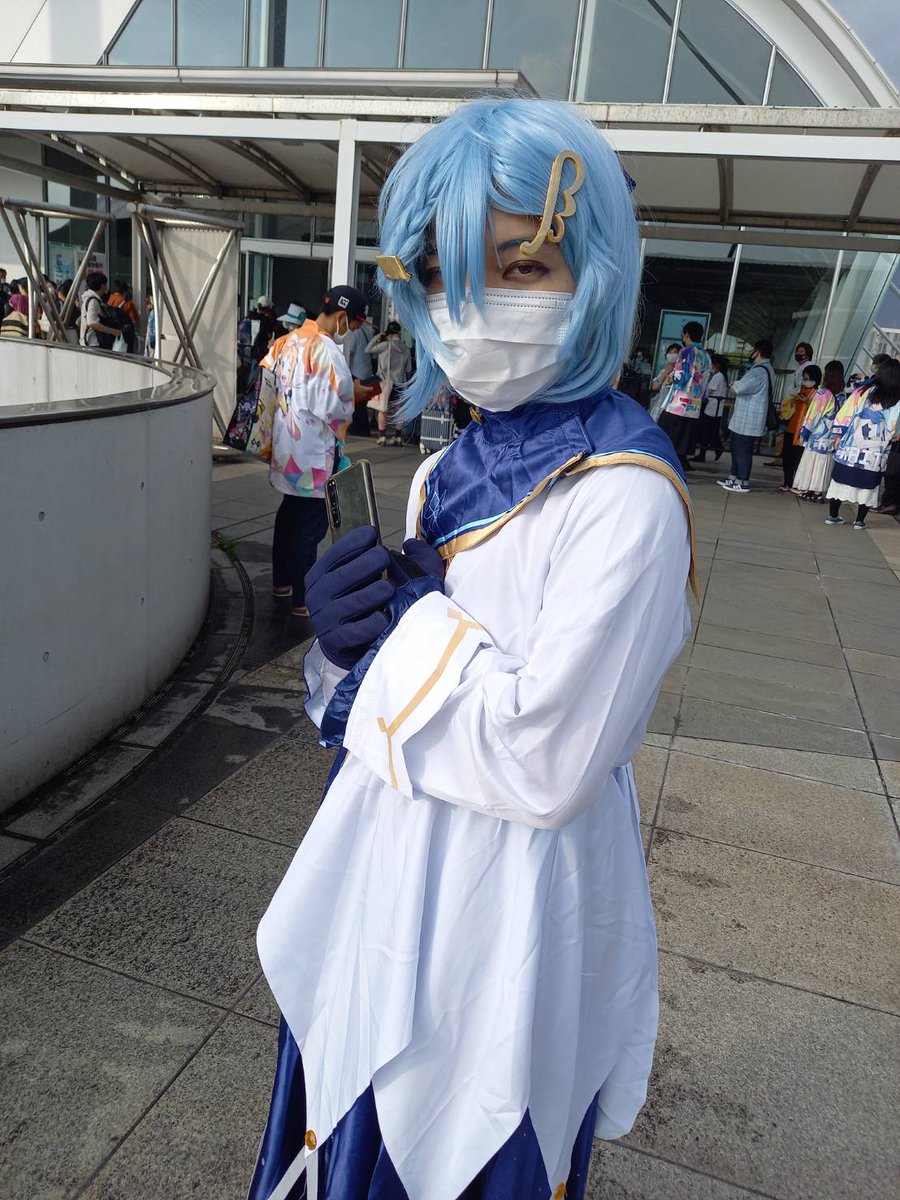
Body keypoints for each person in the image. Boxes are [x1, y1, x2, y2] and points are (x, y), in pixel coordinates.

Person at [248, 96, 695, 1200]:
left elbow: (547, 760)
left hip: (514, 901)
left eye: (522, 265)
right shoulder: (449, 470)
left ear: (594, 271)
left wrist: (403, 635)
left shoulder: (627, 496)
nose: (477, 304)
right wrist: (339, 651)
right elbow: (389, 707)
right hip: (392, 863)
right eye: (446, 275)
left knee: (465, 1115)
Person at [264, 285, 361, 616]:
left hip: (285, 450)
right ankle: (302, 597)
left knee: (288, 515)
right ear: (342, 316)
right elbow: (337, 410)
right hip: (313, 457)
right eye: (354, 324)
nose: (352, 330)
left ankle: (281, 582)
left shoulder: (286, 341)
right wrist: (357, 394)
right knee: (309, 527)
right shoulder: (328, 352)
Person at [825, 360, 900, 528]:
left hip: (850, 447)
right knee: (868, 486)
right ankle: (859, 521)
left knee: (840, 481)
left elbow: (846, 413)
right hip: (875, 452)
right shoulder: (896, 398)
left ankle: (833, 515)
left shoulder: (863, 391)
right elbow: (894, 429)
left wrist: (838, 434)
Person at [718, 339, 775, 494]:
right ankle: (734, 477)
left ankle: (742, 481)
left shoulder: (758, 371)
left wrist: (733, 385)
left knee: (742, 450)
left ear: (757, 352)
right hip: (747, 419)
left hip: (748, 419)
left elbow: (740, 387)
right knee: (738, 448)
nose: (751, 353)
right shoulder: (767, 369)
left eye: (753, 350)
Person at [655, 321, 712, 471]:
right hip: (694, 404)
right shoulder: (706, 356)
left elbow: (681, 377)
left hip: (678, 404)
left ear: (686, 334)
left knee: (666, 436)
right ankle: (679, 467)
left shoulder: (686, 352)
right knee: (683, 441)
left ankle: (664, 466)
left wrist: (671, 378)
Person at [792, 360, 843, 501]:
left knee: (812, 462)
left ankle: (811, 489)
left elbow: (814, 415)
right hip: (831, 436)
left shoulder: (823, 394)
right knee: (823, 464)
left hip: (818, 435)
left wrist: (804, 432)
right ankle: (818, 491)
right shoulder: (842, 395)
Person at [367, 319, 413, 445]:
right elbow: (409, 369)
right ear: (399, 332)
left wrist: (378, 337)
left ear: (389, 332)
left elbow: (368, 350)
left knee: (382, 409)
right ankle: (398, 437)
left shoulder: (385, 345)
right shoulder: (405, 348)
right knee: (399, 410)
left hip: (385, 382)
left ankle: (382, 436)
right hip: (399, 382)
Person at [779, 364, 820, 491]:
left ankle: (797, 484)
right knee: (787, 457)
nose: (805, 381)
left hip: (803, 430)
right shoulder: (798, 390)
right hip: (791, 426)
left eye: (808, 379)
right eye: (804, 378)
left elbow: (816, 410)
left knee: (799, 458)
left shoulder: (817, 394)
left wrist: (807, 402)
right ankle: (787, 482)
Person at [692, 352, 729, 462]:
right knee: (711, 430)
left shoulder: (717, 376)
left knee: (706, 430)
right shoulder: (722, 376)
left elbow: (709, 389)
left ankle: (712, 449)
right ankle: (714, 448)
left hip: (712, 407)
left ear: (716, 364)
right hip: (716, 407)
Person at [79, 271, 121, 349]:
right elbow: (92, 322)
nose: (106, 287)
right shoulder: (93, 301)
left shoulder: (88, 298)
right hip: (93, 342)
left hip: (89, 342)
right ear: (102, 286)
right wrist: (112, 331)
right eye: (105, 284)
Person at [144, 289, 157, 358]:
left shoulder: (154, 313)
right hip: (150, 337)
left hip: (151, 338)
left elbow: (152, 329)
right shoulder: (153, 312)